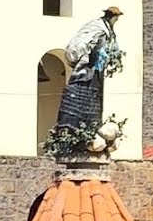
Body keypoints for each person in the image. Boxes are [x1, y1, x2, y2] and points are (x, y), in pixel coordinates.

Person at [53, 7, 123, 136]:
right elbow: (87, 46)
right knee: (83, 97)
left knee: (93, 99)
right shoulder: (99, 30)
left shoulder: (106, 30)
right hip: (89, 70)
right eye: (116, 17)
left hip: (97, 70)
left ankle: (90, 127)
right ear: (112, 17)